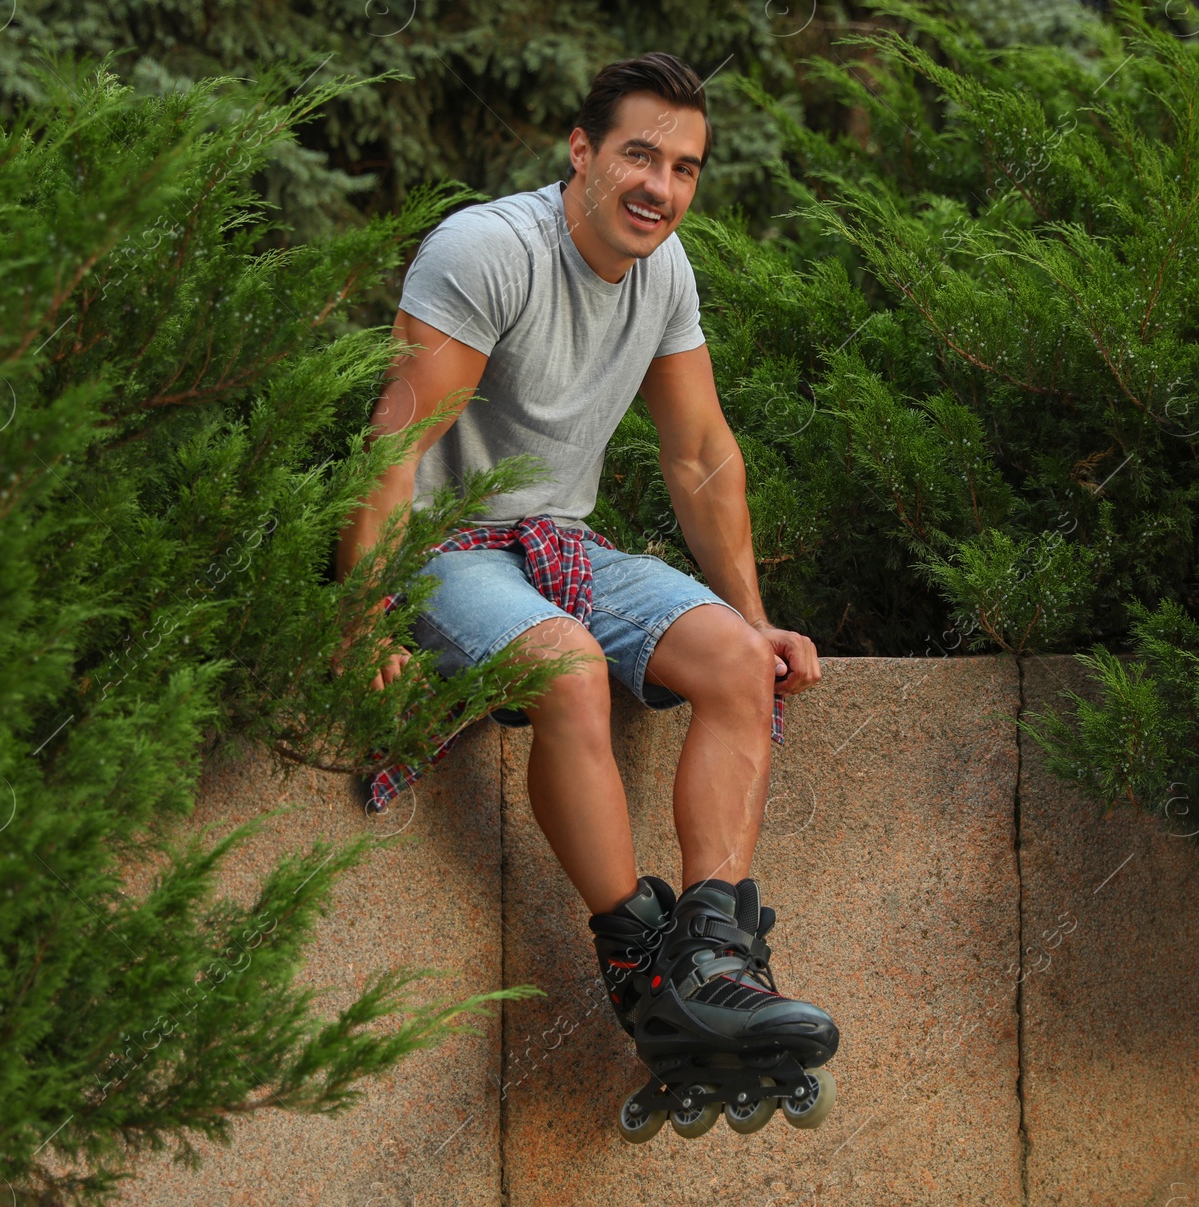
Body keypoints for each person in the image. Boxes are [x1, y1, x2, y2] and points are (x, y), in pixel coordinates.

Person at [334, 52, 838, 1140]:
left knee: (738, 665)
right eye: (640, 156)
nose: (661, 186)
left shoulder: (665, 272)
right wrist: (359, 612)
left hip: (557, 541)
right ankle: (640, 966)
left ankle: (713, 959)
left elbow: (699, 455)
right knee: (563, 668)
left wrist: (751, 615)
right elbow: (401, 437)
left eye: (685, 167)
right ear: (582, 151)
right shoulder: (488, 250)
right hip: (440, 542)